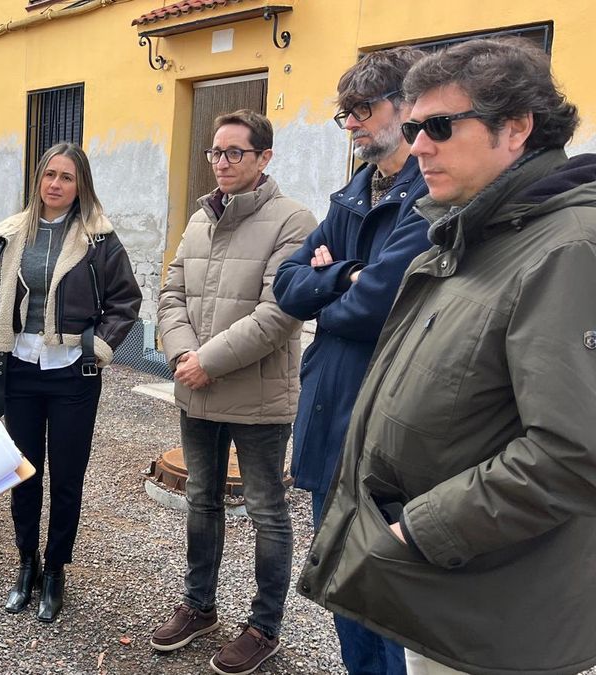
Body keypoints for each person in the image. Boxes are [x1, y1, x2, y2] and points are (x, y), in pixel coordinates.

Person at [298, 37, 596, 675]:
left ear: (515, 127)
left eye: (438, 126)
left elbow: (573, 454)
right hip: (441, 584)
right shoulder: (473, 227)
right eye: (412, 128)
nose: (418, 147)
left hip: (486, 610)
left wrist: (417, 531)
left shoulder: (567, 250)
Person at [272, 47, 429, 675]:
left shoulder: (431, 196)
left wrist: (329, 290)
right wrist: (346, 276)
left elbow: (378, 306)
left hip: (386, 423)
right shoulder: (352, 195)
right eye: (346, 113)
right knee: (342, 585)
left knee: (387, 596)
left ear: (405, 106)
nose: (352, 124)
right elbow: (286, 285)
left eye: (363, 109)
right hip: (331, 412)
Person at [150, 110, 317, 675]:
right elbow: (171, 293)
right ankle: (199, 606)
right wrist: (182, 355)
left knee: (267, 510)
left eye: (234, 153)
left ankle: (264, 626)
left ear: (264, 157)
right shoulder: (200, 218)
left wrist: (207, 362)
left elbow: (280, 312)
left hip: (258, 398)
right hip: (196, 389)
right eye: (215, 152)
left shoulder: (293, 220)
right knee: (202, 499)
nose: (220, 162)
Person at [0, 142, 141, 623]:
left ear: (80, 185)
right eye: (49, 174)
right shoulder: (8, 236)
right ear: (38, 179)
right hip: (20, 370)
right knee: (23, 472)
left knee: (66, 477)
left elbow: (125, 301)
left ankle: (56, 569)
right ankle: (27, 563)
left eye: (66, 177)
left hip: (73, 373)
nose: (56, 184)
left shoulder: (100, 240)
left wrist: (97, 348)